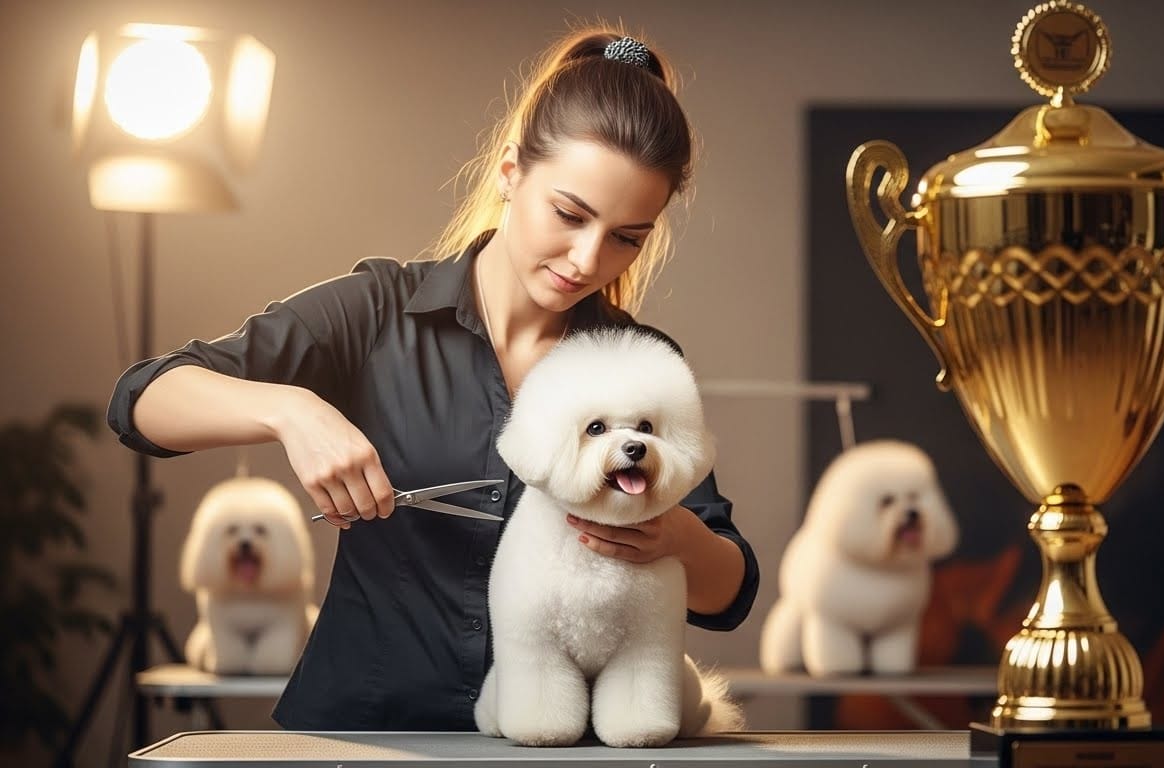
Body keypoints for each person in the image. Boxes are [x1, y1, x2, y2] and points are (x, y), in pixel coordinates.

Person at [107, 24, 759, 731]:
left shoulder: (639, 363)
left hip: (556, 747)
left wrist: (677, 541)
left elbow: (727, 595)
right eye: (569, 214)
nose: (587, 257)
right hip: (364, 732)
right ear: (511, 172)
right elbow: (142, 397)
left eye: (628, 237)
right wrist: (291, 410)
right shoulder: (378, 312)